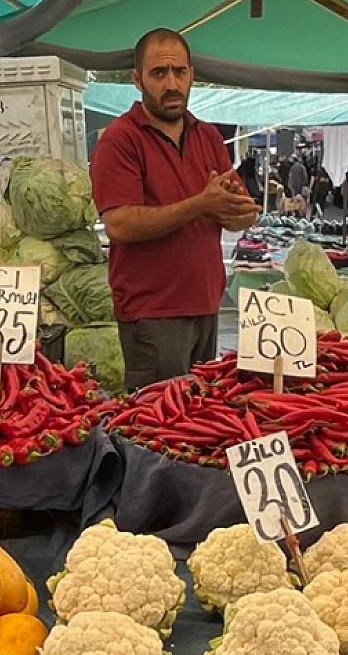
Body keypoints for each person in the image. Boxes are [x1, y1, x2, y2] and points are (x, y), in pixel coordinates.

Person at [90, 28, 258, 390]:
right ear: (138, 80)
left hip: (206, 304)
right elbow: (119, 224)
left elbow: (239, 210)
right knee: (161, 429)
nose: (171, 84)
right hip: (153, 314)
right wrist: (201, 204)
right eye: (158, 74)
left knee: (198, 421)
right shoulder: (120, 139)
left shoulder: (208, 136)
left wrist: (241, 211)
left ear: (192, 75)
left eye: (179, 72)